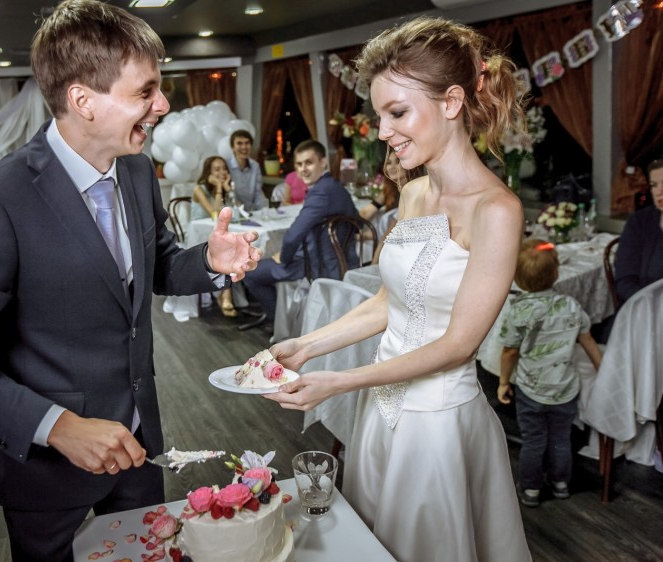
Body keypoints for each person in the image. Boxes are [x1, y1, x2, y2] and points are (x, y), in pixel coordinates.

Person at [0, 2, 261, 561]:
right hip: (48, 471)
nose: (163, 105)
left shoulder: (136, 168)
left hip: (139, 449)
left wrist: (209, 261)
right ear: (83, 101)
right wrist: (58, 427)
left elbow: (156, 266)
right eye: (145, 91)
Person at [265, 17, 531, 561]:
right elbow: (390, 303)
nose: (383, 131)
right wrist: (306, 346)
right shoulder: (412, 195)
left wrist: (338, 381)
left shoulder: (497, 210)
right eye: (380, 115)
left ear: (452, 101)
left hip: (437, 427)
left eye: (398, 113)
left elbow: (457, 345)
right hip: (380, 408)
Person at [497, 239, 603, 507]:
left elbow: (509, 352)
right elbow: (588, 341)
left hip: (531, 389)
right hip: (565, 388)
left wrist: (503, 382)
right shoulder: (571, 305)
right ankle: (560, 483)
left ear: (516, 278)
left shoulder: (518, 310)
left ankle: (531, 489)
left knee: (534, 440)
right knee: (560, 439)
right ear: (556, 273)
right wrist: (603, 371)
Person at [239, 139, 358, 332]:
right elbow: (357, 223)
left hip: (317, 264)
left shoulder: (320, 192)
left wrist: (284, 259)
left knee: (250, 272)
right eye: (299, 164)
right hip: (344, 259)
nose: (303, 169)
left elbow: (293, 235)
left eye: (309, 162)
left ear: (323, 163)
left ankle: (278, 322)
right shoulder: (337, 187)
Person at [192, 155, 237, 317]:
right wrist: (219, 187)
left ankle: (226, 293)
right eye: (217, 169)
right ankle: (225, 295)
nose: (222, 172)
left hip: (218, 235)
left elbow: (239, 209)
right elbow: (214, 214)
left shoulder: (224, 187)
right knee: (226, 249)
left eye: (224, 168)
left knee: (233, 246)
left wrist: (228, 189)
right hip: (199, 237)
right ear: (208, 173)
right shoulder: (199, 189)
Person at [613, 157, 663, 304]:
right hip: (643, 307)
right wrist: (650, 306)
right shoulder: (639, 221)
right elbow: (624, 281)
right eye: (654, 185)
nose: (659, 192)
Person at [227, 129, 266, 211]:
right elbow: (227, 195)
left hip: (251, 212)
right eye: (239, 143)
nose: (244, 147)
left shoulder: (255, 166)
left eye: (247, 143)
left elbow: (258, 193)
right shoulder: (226, 166)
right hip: (232, 212)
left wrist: (264, 212)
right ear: (233, 148)